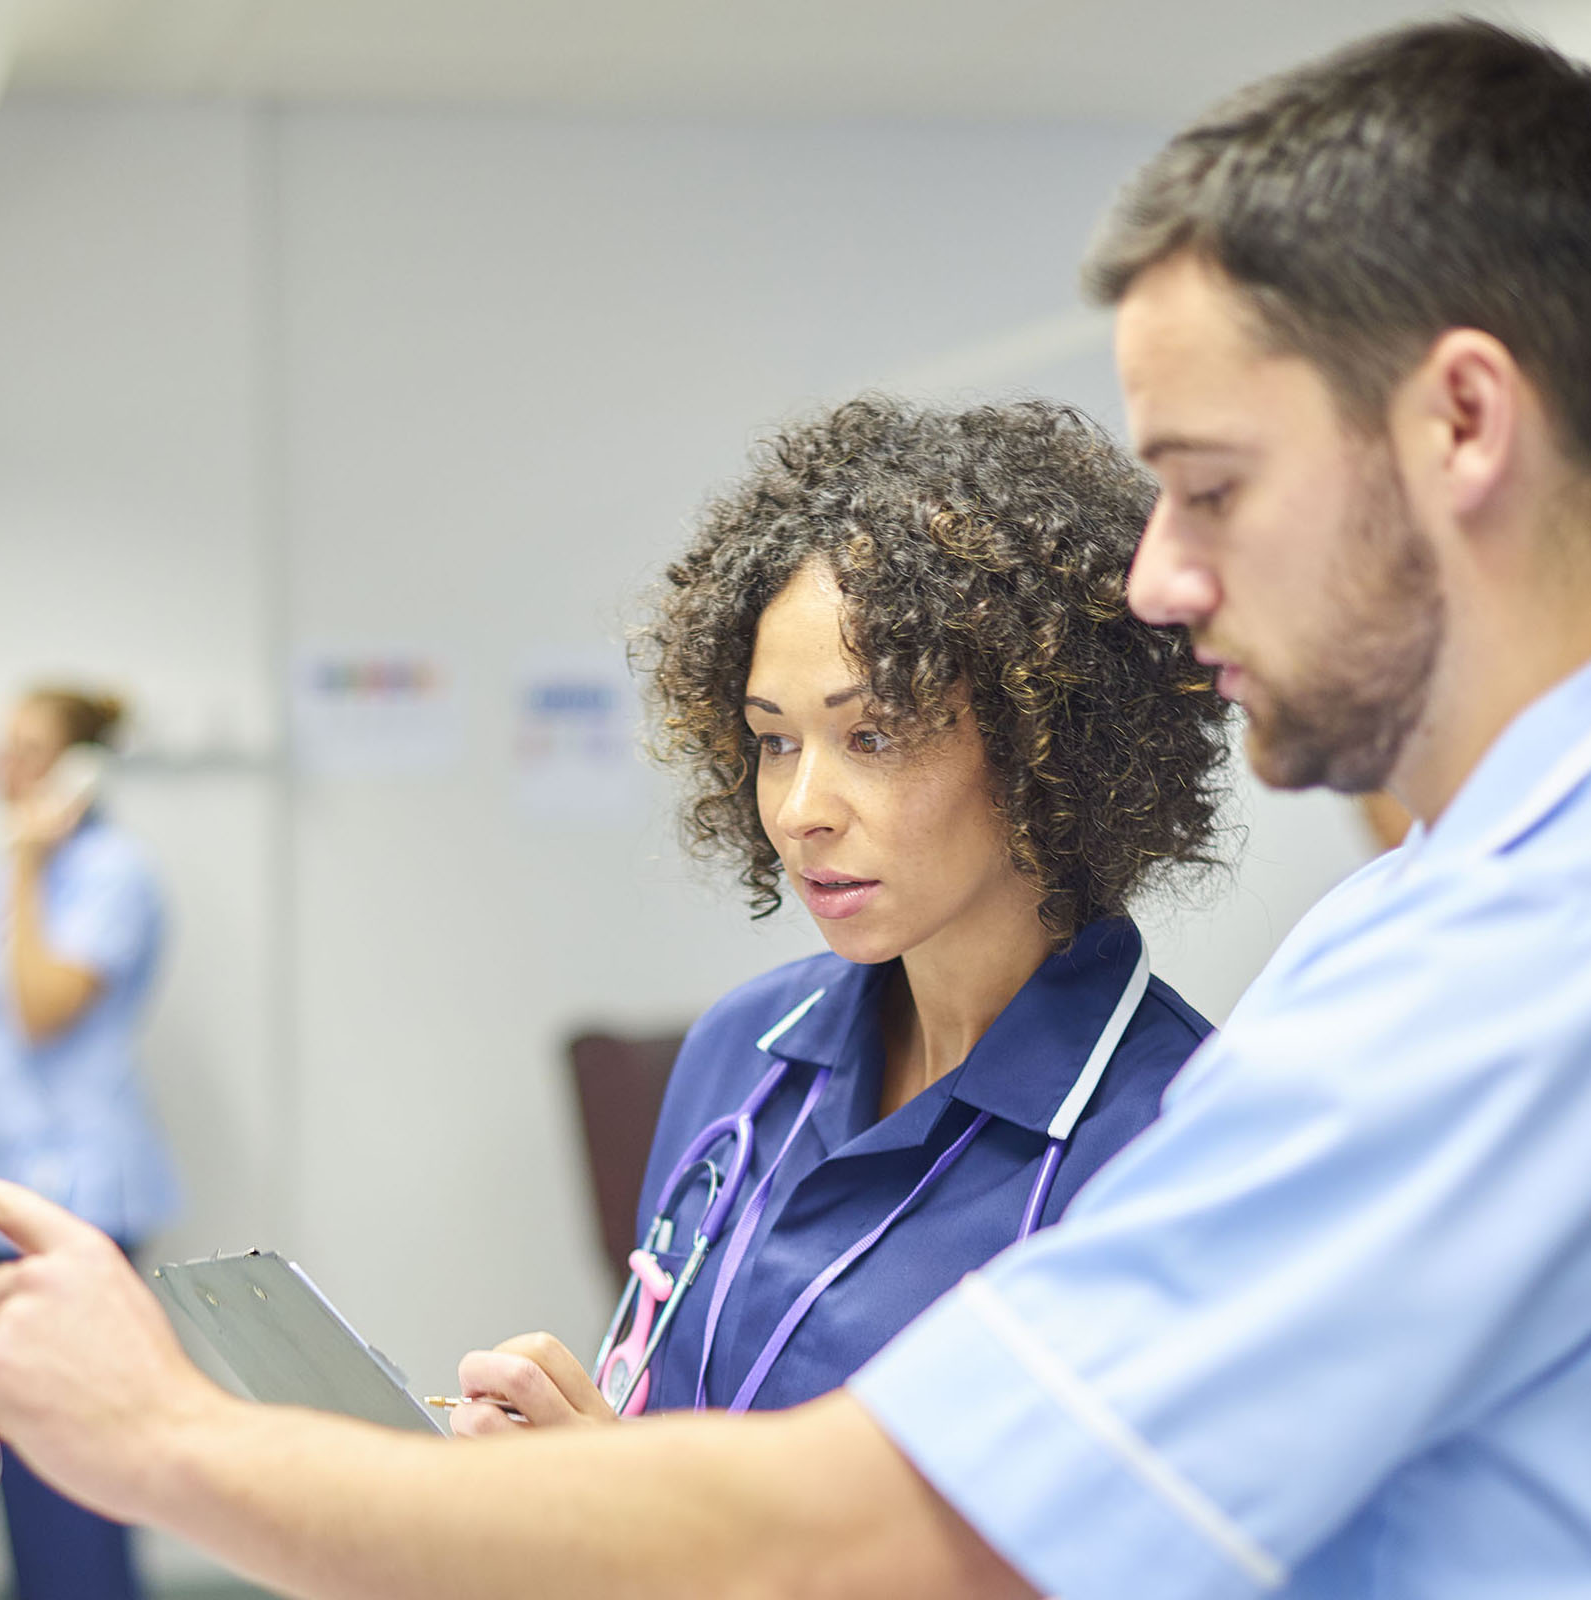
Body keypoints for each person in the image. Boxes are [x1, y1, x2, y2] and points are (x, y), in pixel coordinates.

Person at [0, 18, 1591, 1598]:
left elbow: (874, 1543)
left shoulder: (1512, 973)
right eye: (773, 741)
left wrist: (173, 1442)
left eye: (1215, 486)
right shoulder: (1398, 936)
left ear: (1463, 419)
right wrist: (601, 1480)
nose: (1165, 574)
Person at [452, 396, 1226, 1433]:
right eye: (776, 740)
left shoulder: (1174, 1141)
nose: (800, 810)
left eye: (874, 737)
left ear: (1048, 747)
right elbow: (664, 1434)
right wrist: (579, 1467)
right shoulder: (742, 1053)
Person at [0, 686, 176, 1600]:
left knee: (76, 1446)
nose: (6, 767)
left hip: (84, 1197)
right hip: (14, 1185)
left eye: (30, 749)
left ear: (82, 768)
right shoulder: (10, 877)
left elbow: (38, 1012)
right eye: (3, 746)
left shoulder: (113, 873)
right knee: (25, 1440)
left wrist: (32, 865)